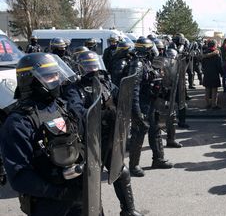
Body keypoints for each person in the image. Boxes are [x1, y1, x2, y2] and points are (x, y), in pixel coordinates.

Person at [0, 53, 84, 215]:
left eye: (56, 74)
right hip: (48, 203)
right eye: (49, 76)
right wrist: (59, 193)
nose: (56, 80)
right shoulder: (18, 122)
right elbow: (19, 176)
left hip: (79, 193)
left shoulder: (60, 106)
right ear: (31, 80)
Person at [65, 50, 143, 216]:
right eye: (88, 66)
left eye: (95, 65)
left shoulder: (106, 83)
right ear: (79, 68)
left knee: (121, 172)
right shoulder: (74, 88)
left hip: (109, 137)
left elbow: (120, 97)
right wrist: (101, 114)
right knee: (91, 182)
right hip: (88, 141)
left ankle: (128, 210)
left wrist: (119, 111)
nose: (93, 69)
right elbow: (76, 111)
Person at [128, 37, 174, 176]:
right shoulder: (138, 65)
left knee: (156, 131)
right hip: (142, 105)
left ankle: (158, 159)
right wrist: (137, 112)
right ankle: (134, 165)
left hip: (152, 102)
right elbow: (133, 90)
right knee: (138, 135)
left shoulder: (147, 63)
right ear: (146, 50)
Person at [201, 40, 223, 109]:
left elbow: (203, 65)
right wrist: (222, 73)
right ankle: (214, 104)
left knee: (207, 89)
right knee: (214, 90)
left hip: (207, 73)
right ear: (215, 45)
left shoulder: (204, 54)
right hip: (214, 73)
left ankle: (207, 104)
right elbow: (219, 65)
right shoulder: (217, 54)